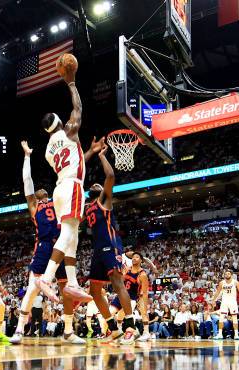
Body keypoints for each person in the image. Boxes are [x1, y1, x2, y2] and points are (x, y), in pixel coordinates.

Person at [10, 141, 88, 345]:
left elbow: (70, 173)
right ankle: (19, 329)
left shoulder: (58, 196)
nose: (41, 189)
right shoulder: (34, 205)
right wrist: (27, 156)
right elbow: (27, 181)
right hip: (44, 247)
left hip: (61, 246)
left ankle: (69, 332)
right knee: (32, 289)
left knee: (67, 291)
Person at [37, 68, 102, 303]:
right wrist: (72, 83)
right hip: (72, 187)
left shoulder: (47, 151)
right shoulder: (70, 132)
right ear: (59, 122)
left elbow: (73, 162)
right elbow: (78, 109)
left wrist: (91, 152)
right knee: (68, 233)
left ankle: (72, 282)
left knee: (73, 235)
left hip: (60, 188)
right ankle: (47, 277)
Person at [86, 145, 137, 345]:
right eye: (96, 185)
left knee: (117, 284)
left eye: (100, 185)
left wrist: (101, 156)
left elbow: (110, 176)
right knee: (94, 291)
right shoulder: (88, 207)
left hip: (111, 245)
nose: (99, 185)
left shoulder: (103, 201)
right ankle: (113, 329)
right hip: (98, 250)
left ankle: (131, 327)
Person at [110, 252, 150, 341]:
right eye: (133, 257)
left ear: (141, 261)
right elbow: (120, 282)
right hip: (120, 296)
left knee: (142, 312)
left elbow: (145, 292)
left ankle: (145, 333)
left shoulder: (142, 275)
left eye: (137, 257)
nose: (134, 258)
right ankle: (118, 330)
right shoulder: (127, 269)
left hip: (132, 298)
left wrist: (145, 304)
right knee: (110, 313)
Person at [211, 270, 239, 340]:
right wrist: (213, 300)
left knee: (234, 318)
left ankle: (236, 335)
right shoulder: (221, 283)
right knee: (221, 317)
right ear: (224, 275)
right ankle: (220, 334)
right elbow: (217, 292)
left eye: (228, 274)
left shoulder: (235, 282)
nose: (227, 275)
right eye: (225, 274)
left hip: (232, 301)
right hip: (224, 301)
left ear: (231, 275)